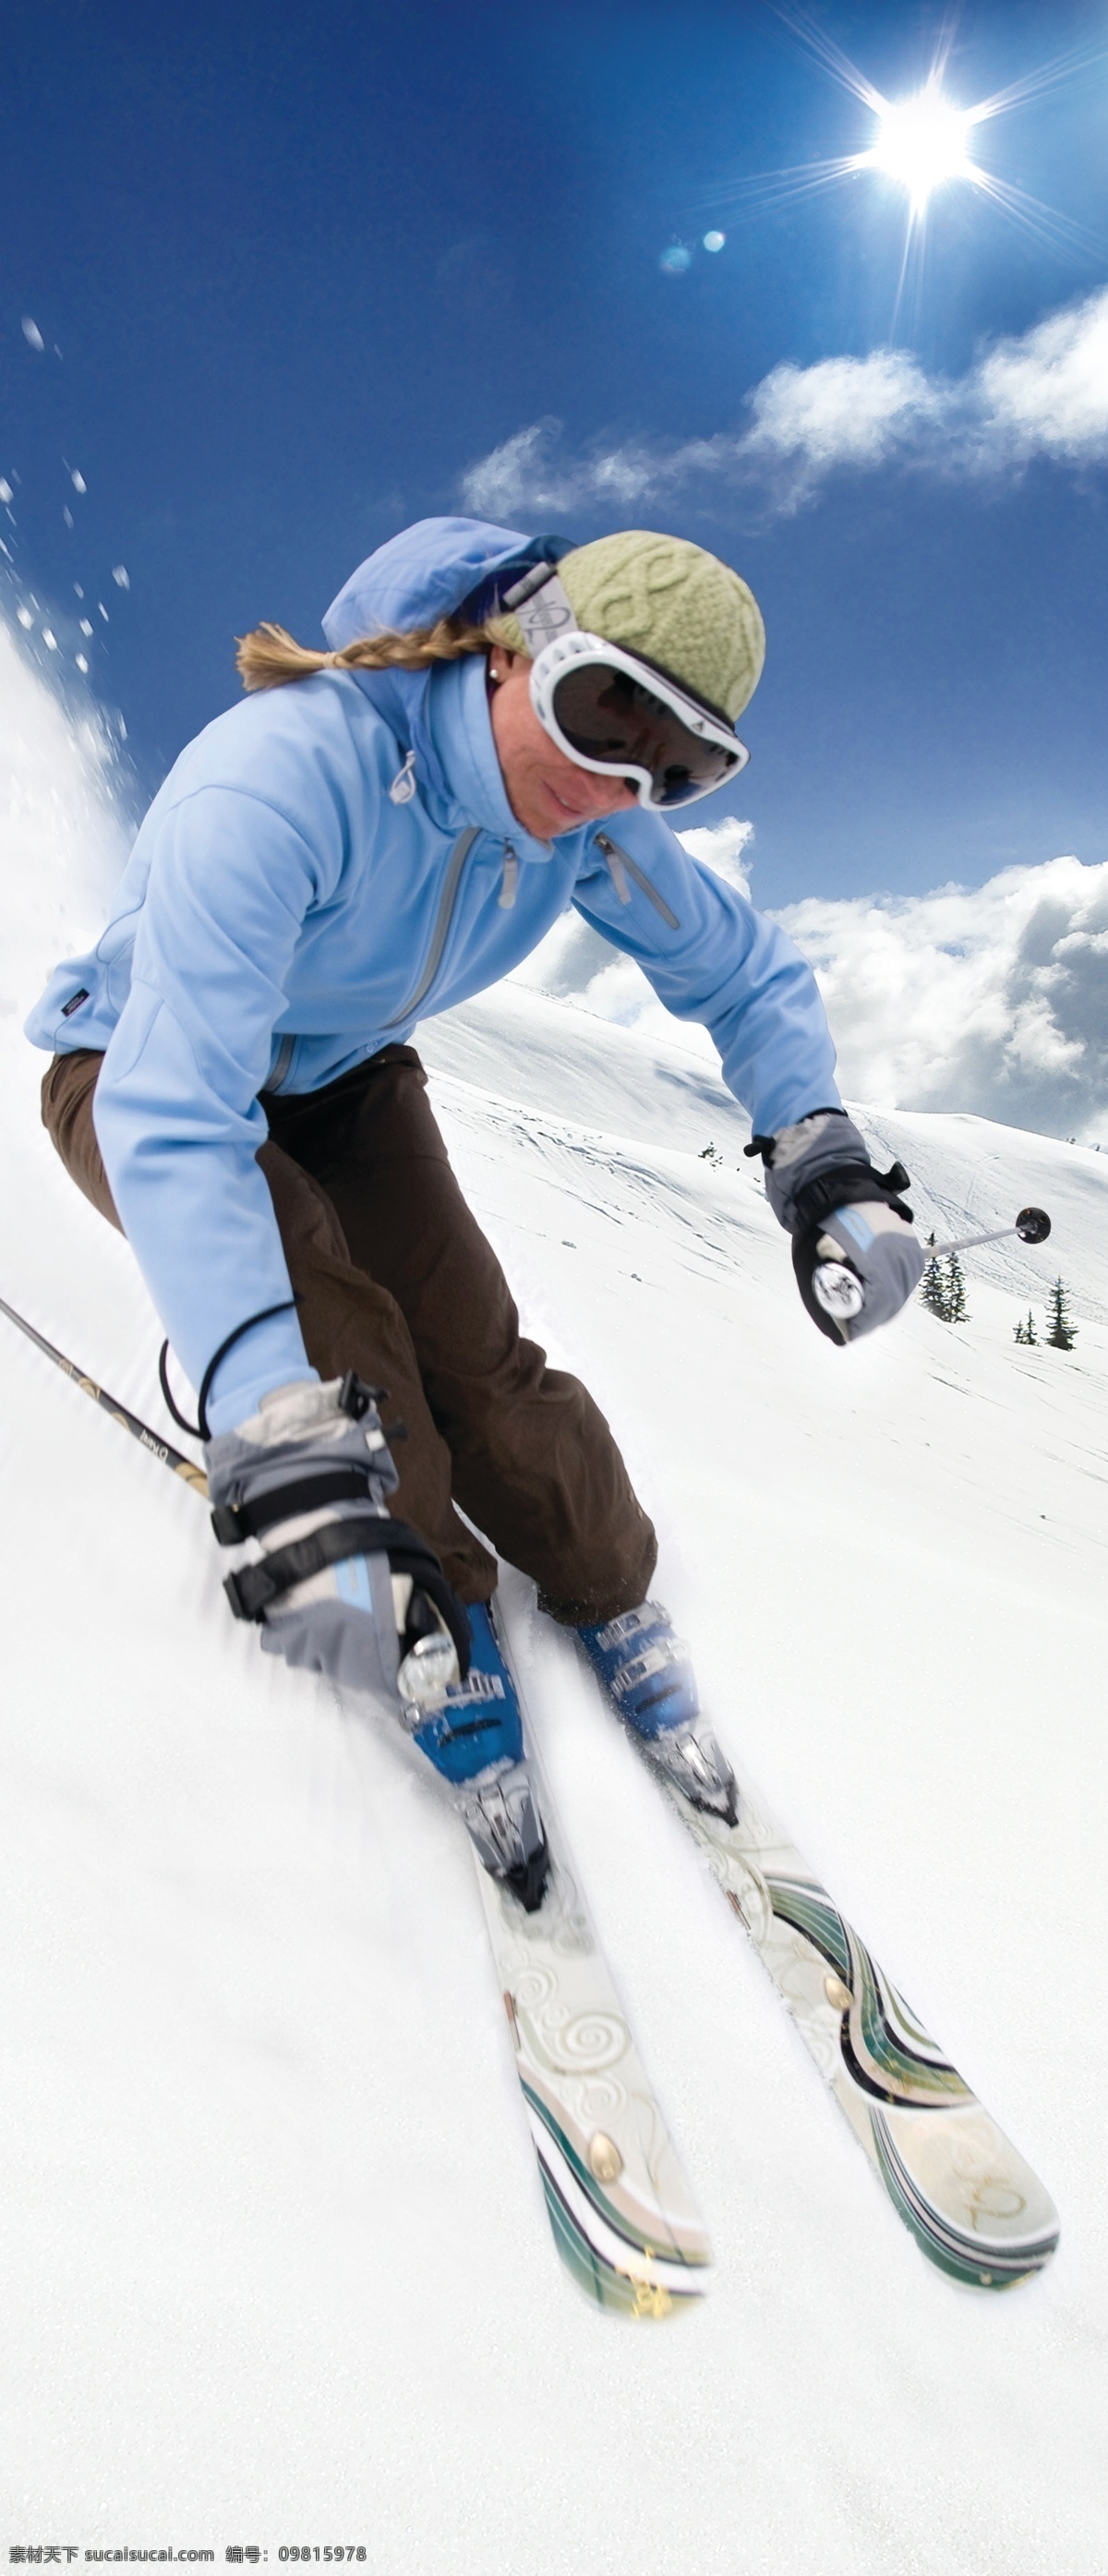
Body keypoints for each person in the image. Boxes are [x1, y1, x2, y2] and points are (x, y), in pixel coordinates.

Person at [27, 517, 923, 1908]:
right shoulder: (282, 781)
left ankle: (607, 1583)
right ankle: (429, 1616)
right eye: (603, 708)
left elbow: (741, 974)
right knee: (341, 1354)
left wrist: (819, 1151)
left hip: (335, 1075)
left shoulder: (585, 828)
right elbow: (178, 1114)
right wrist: (272, 1418)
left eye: (681, 768)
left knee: (477, 1347)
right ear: (515, 643)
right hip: (143, 1071)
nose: (618, 777)